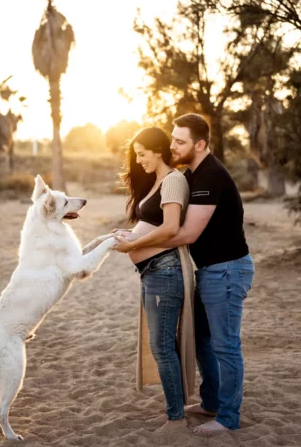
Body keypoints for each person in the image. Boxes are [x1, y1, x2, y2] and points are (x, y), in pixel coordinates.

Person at [115, 113, 254, 437]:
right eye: (173, 139)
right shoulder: (193, 174)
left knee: (225, 346)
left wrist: (135, 242)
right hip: (208, 270)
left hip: (228, 270)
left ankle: (228, 417)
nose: (172, 145)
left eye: (180, 141)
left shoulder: (211, 177)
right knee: (204, 342)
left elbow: (183, 234)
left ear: (200, 144)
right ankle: (210, 403)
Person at [113, 127, 195, 431]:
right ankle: (177, 410)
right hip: (153, 272)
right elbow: (152, 224)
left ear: (158, 151)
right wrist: (127, 235)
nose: (139, 160)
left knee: (162, 346)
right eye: (136, 155)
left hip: (166, 272)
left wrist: (133, 244)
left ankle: (176, 418)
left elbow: (171, 228)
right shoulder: (158, 182)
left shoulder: (173, 180)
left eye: (143, 154)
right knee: (160, 345)